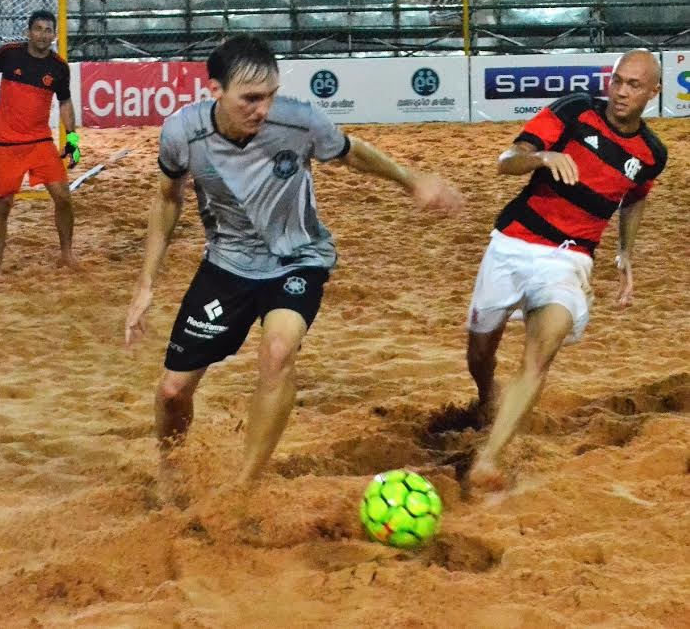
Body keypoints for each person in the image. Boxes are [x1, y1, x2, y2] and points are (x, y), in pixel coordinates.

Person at [125, 34, 463, 489]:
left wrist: (411, 180)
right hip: (227, 265)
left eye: (269, 96)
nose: (262, 109)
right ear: (215, 91)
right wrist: (146, 284)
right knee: (171, 392)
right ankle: (171, 472)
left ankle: (244, 485)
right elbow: (167, 199)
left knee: (278, 351)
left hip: (297, 260)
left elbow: (352, 152)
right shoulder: (182, 133)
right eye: (250, 98)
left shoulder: (299, 121)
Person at [466, 49, 667, 490]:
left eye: (634, 85)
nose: (621, 92)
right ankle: (486, 396)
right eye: (617, 81)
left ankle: (489, 459)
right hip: (513, 244)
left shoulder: (652, 153)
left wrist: (624, 253)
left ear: (654, 92)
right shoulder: (574, 110)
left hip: (570, 257)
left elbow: (634, 198)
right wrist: (541, 158)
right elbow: (507, 161)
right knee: (480, 354)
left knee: (543, 348)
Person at [0, 9, 81, 274]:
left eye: (48, 30)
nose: (43, 35)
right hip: (6, 144)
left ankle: (66, 254)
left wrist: (72, 138)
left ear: (54, 35)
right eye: (38, 29)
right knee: (2, 206)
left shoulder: (58, 67)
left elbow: (65, 102)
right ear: (28, 32)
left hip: (40, 142)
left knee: (63, 197)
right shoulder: (9, 54)